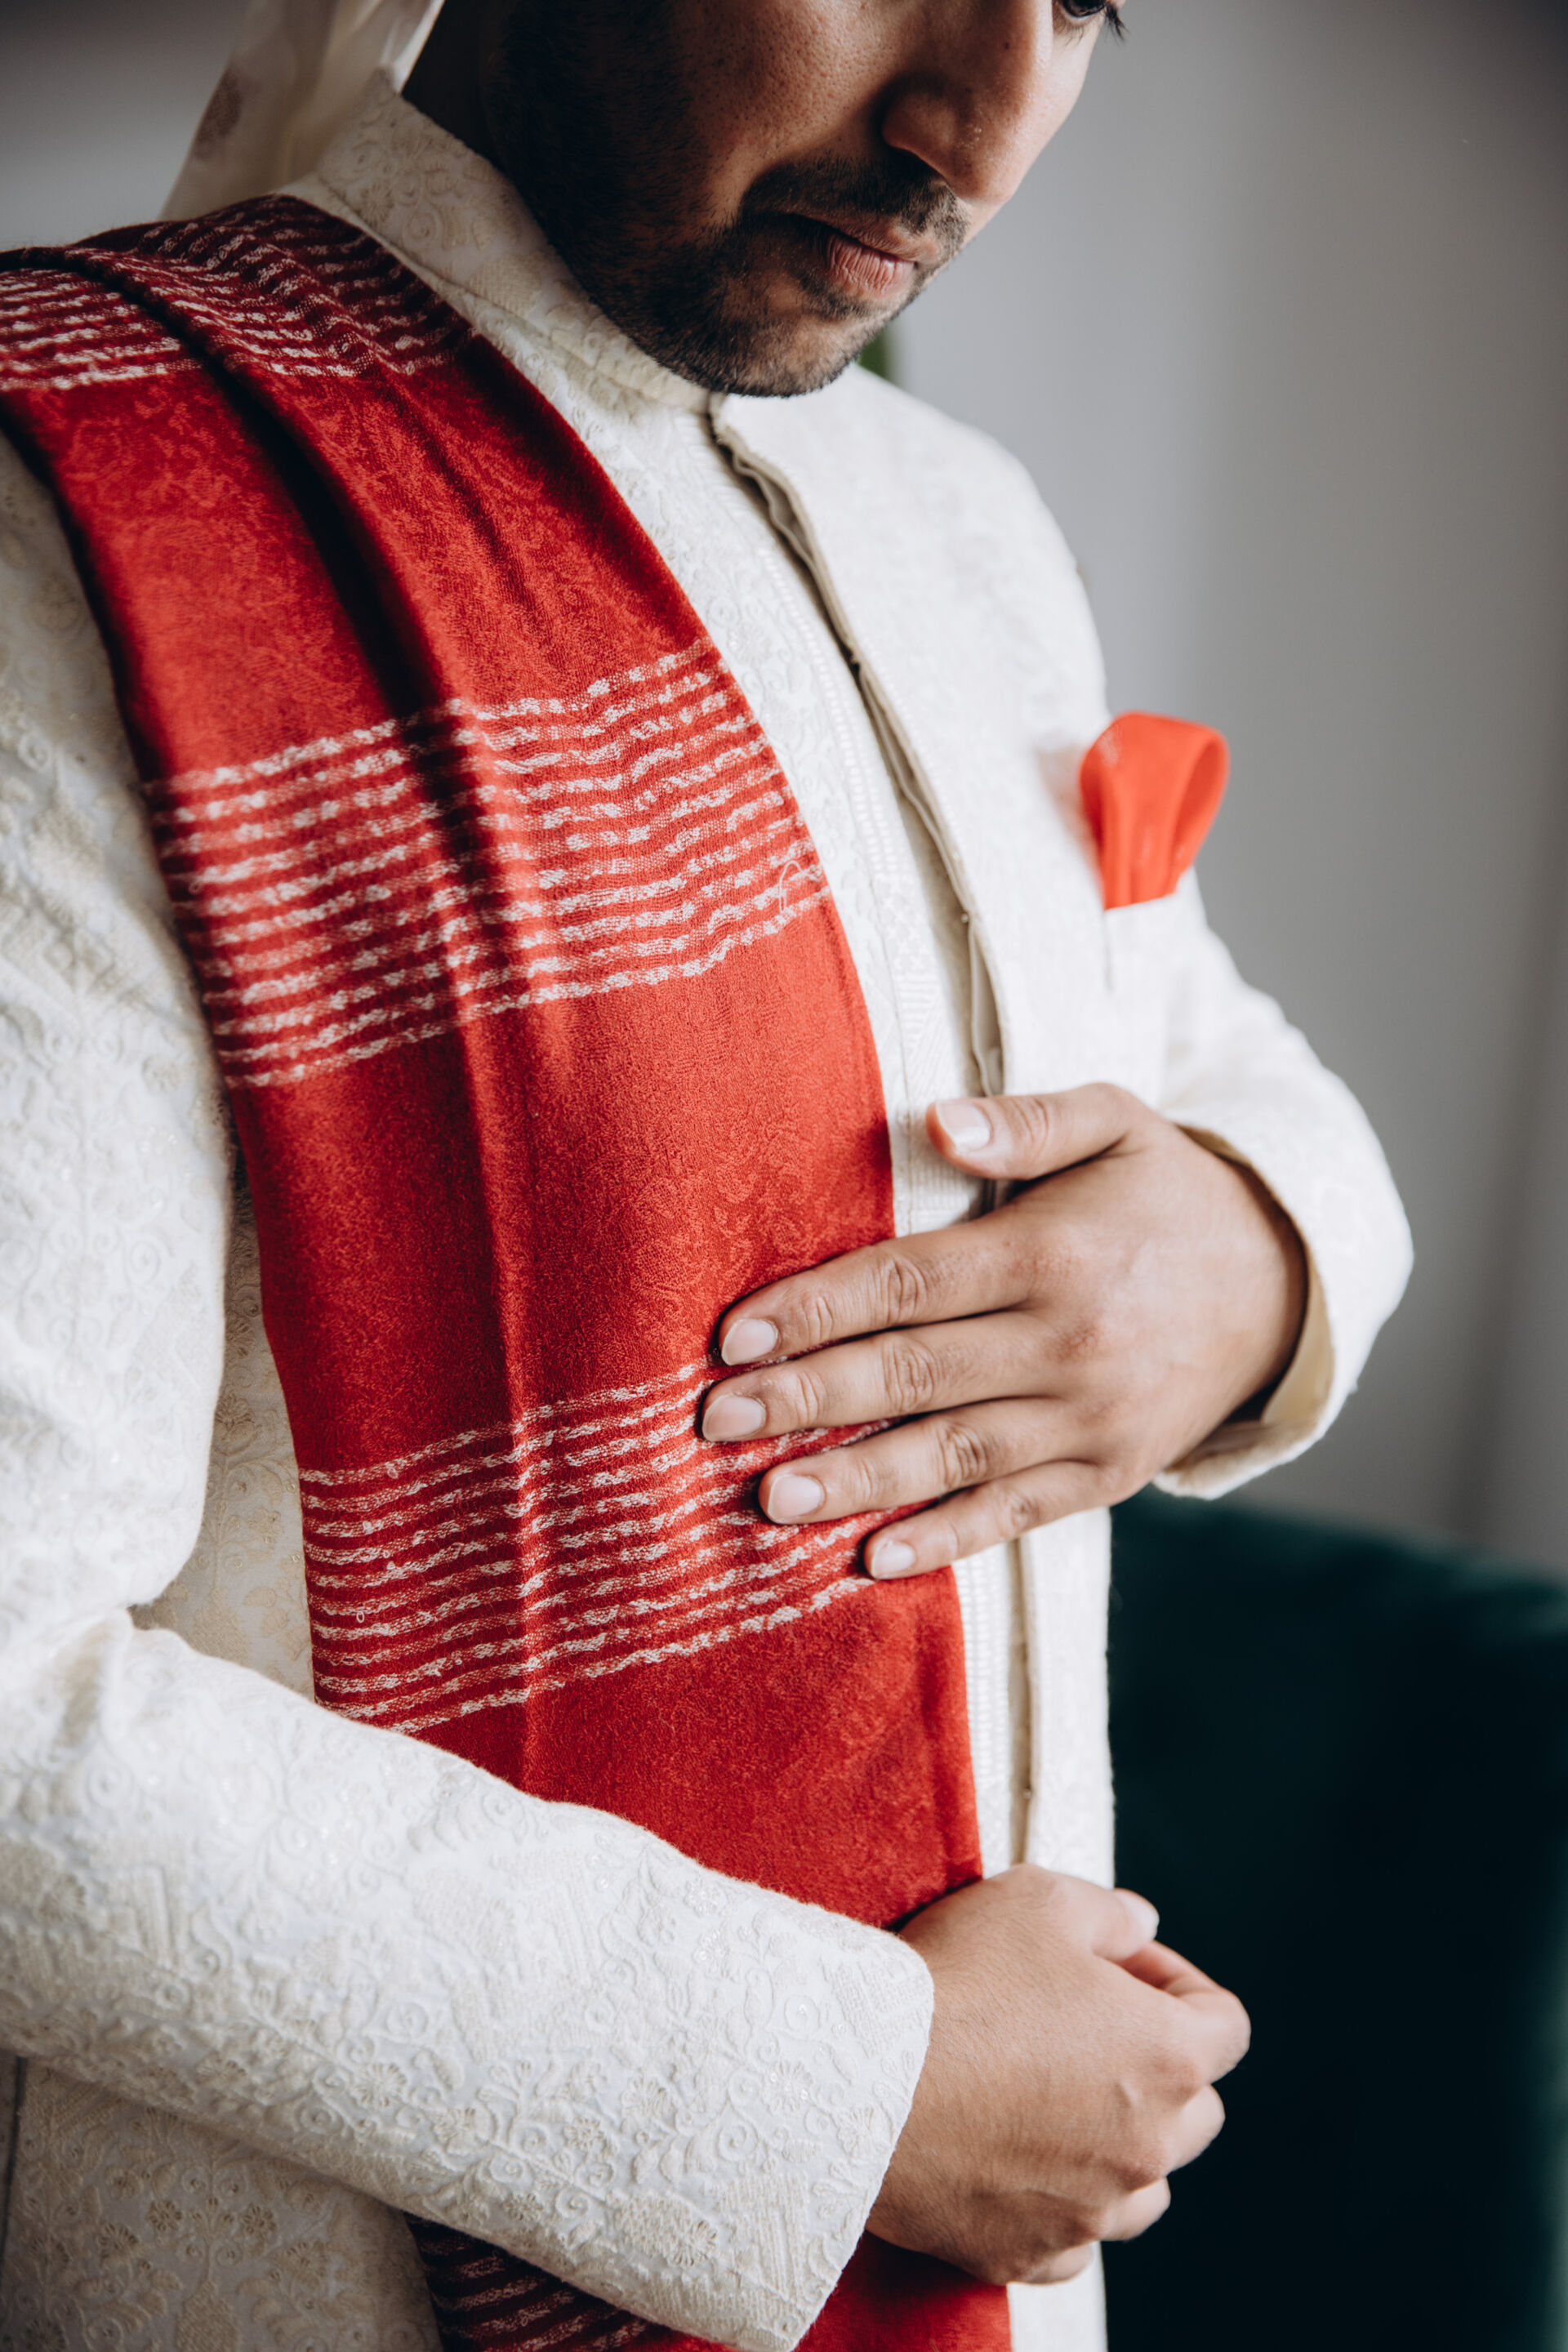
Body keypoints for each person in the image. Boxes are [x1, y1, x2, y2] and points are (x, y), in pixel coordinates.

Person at [0, 2, 1411, 2347]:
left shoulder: (963, 527)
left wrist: (1251, 1257)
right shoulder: (72, 510)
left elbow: (1213, 1049)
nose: (978, 128)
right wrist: (850, 2094)